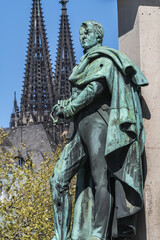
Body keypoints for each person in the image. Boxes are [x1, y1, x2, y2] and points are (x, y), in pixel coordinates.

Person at [50, 20, 148, 240]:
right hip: (80, 129)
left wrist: (70, 106)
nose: (83, 36)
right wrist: (64, 106)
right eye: (81, 33)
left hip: (98, 124)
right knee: (57, 179)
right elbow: (80, 95)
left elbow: (95, 88)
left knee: (100, 178)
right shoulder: (81, 66)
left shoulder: (105, 60)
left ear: (98, 36)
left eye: (87, 33)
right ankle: (60, 235)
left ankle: (98, 232)